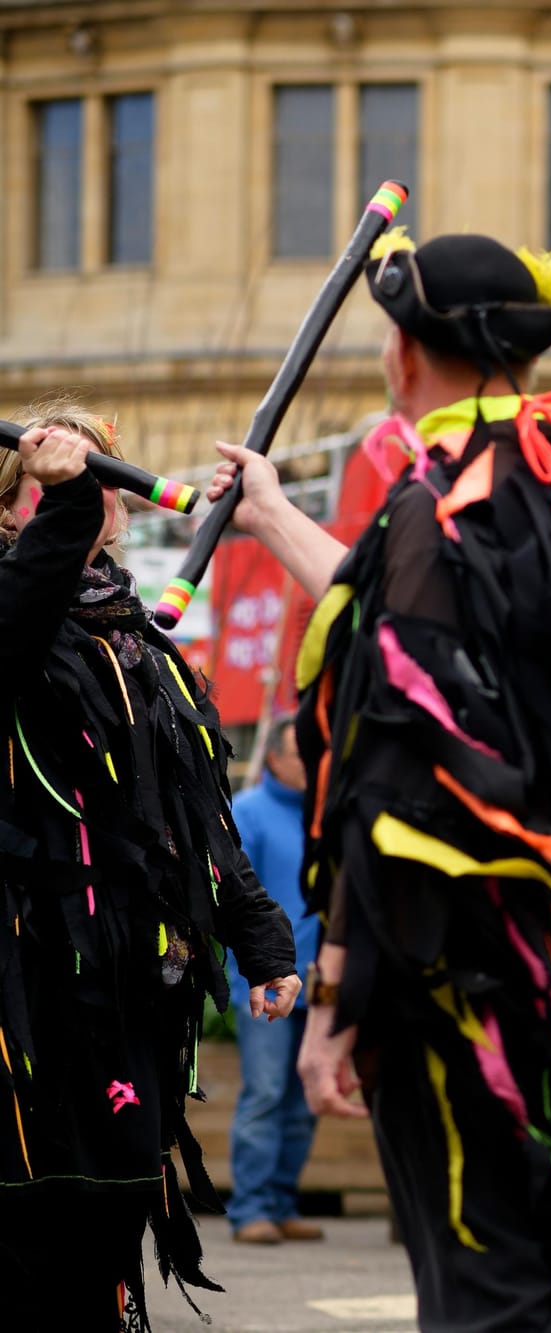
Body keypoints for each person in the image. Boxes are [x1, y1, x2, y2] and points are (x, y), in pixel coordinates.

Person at [202, 232, 551, 1331]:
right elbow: (393, 618)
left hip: (461, 986)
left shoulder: (429, 513)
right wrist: (270, 512)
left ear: (402, 355)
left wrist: (336, 1002)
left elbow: (394, 778)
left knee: (483, 1287)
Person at [0, 410, 298, 1330]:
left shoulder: (143, 644)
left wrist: (260, 938)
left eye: (98, 475)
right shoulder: (15, 616)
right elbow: (20, 616)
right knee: (31, 1209)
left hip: (132, 978)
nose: (88, 490)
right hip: (30, 976)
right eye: (57, 476)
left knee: (116, 1193)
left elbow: (195, 813)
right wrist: (66, 501)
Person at [224, 714, 324, 1246]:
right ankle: (251, 1209)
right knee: (264, 1095)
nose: (310, 763)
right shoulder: (249, 812)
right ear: (274, 759)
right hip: (266, 983)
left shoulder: (323, 815)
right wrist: (244, 974)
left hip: (319, 985)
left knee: (303, 1103)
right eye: (300, 753)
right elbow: (235, 899)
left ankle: (282, 1203)